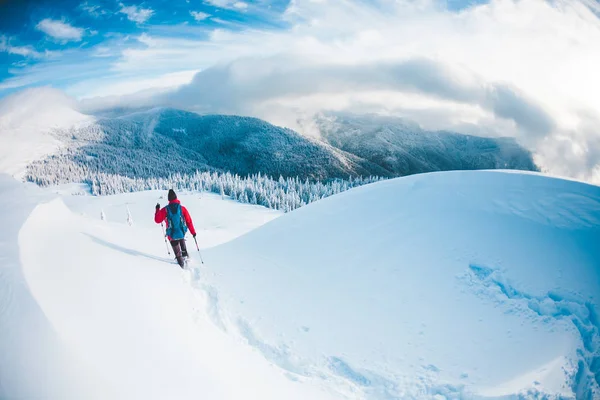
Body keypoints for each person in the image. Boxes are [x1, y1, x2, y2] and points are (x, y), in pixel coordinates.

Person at [155, 189, 197, 268]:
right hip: (181, 233)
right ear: (176, 198)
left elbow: (157, 220)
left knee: (178, 254)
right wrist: (193, 232)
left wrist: (157, 210)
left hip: (172, 235)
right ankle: (188, 262)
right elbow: (189, 221)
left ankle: (182, 268)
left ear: (169, 199)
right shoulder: (182, 208)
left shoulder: (165, 209)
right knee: (183, 248)